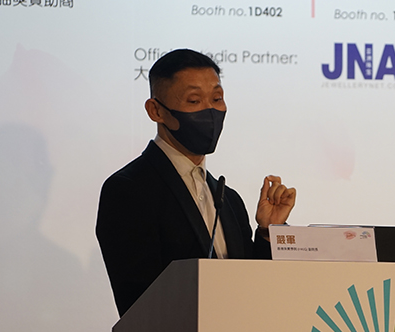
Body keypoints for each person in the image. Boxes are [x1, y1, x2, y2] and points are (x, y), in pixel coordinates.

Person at [96, 49, 296, 316]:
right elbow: (139, 299)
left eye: (217, 98)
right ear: (156, 110)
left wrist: (267, 232)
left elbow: (255, 286)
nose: (210, 111)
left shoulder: (229, 199)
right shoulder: (128, 189)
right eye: (194, 100)